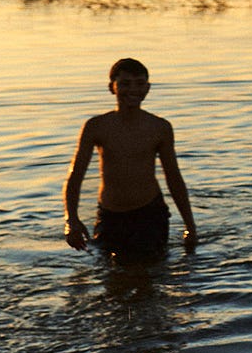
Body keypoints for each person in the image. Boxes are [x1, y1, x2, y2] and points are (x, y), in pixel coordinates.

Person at [63, 57, 199, 255]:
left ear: (148, 88)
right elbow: (76, 176)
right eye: (125, 84)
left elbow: (174, 178)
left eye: (140, 84)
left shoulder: (159, 128)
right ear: (112, 87)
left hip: (150, 213)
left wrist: (190, 227)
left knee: (150, 278)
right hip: (110, 216)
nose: (133, 90)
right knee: (111, 281)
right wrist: (71, 220)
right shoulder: (96, 127)